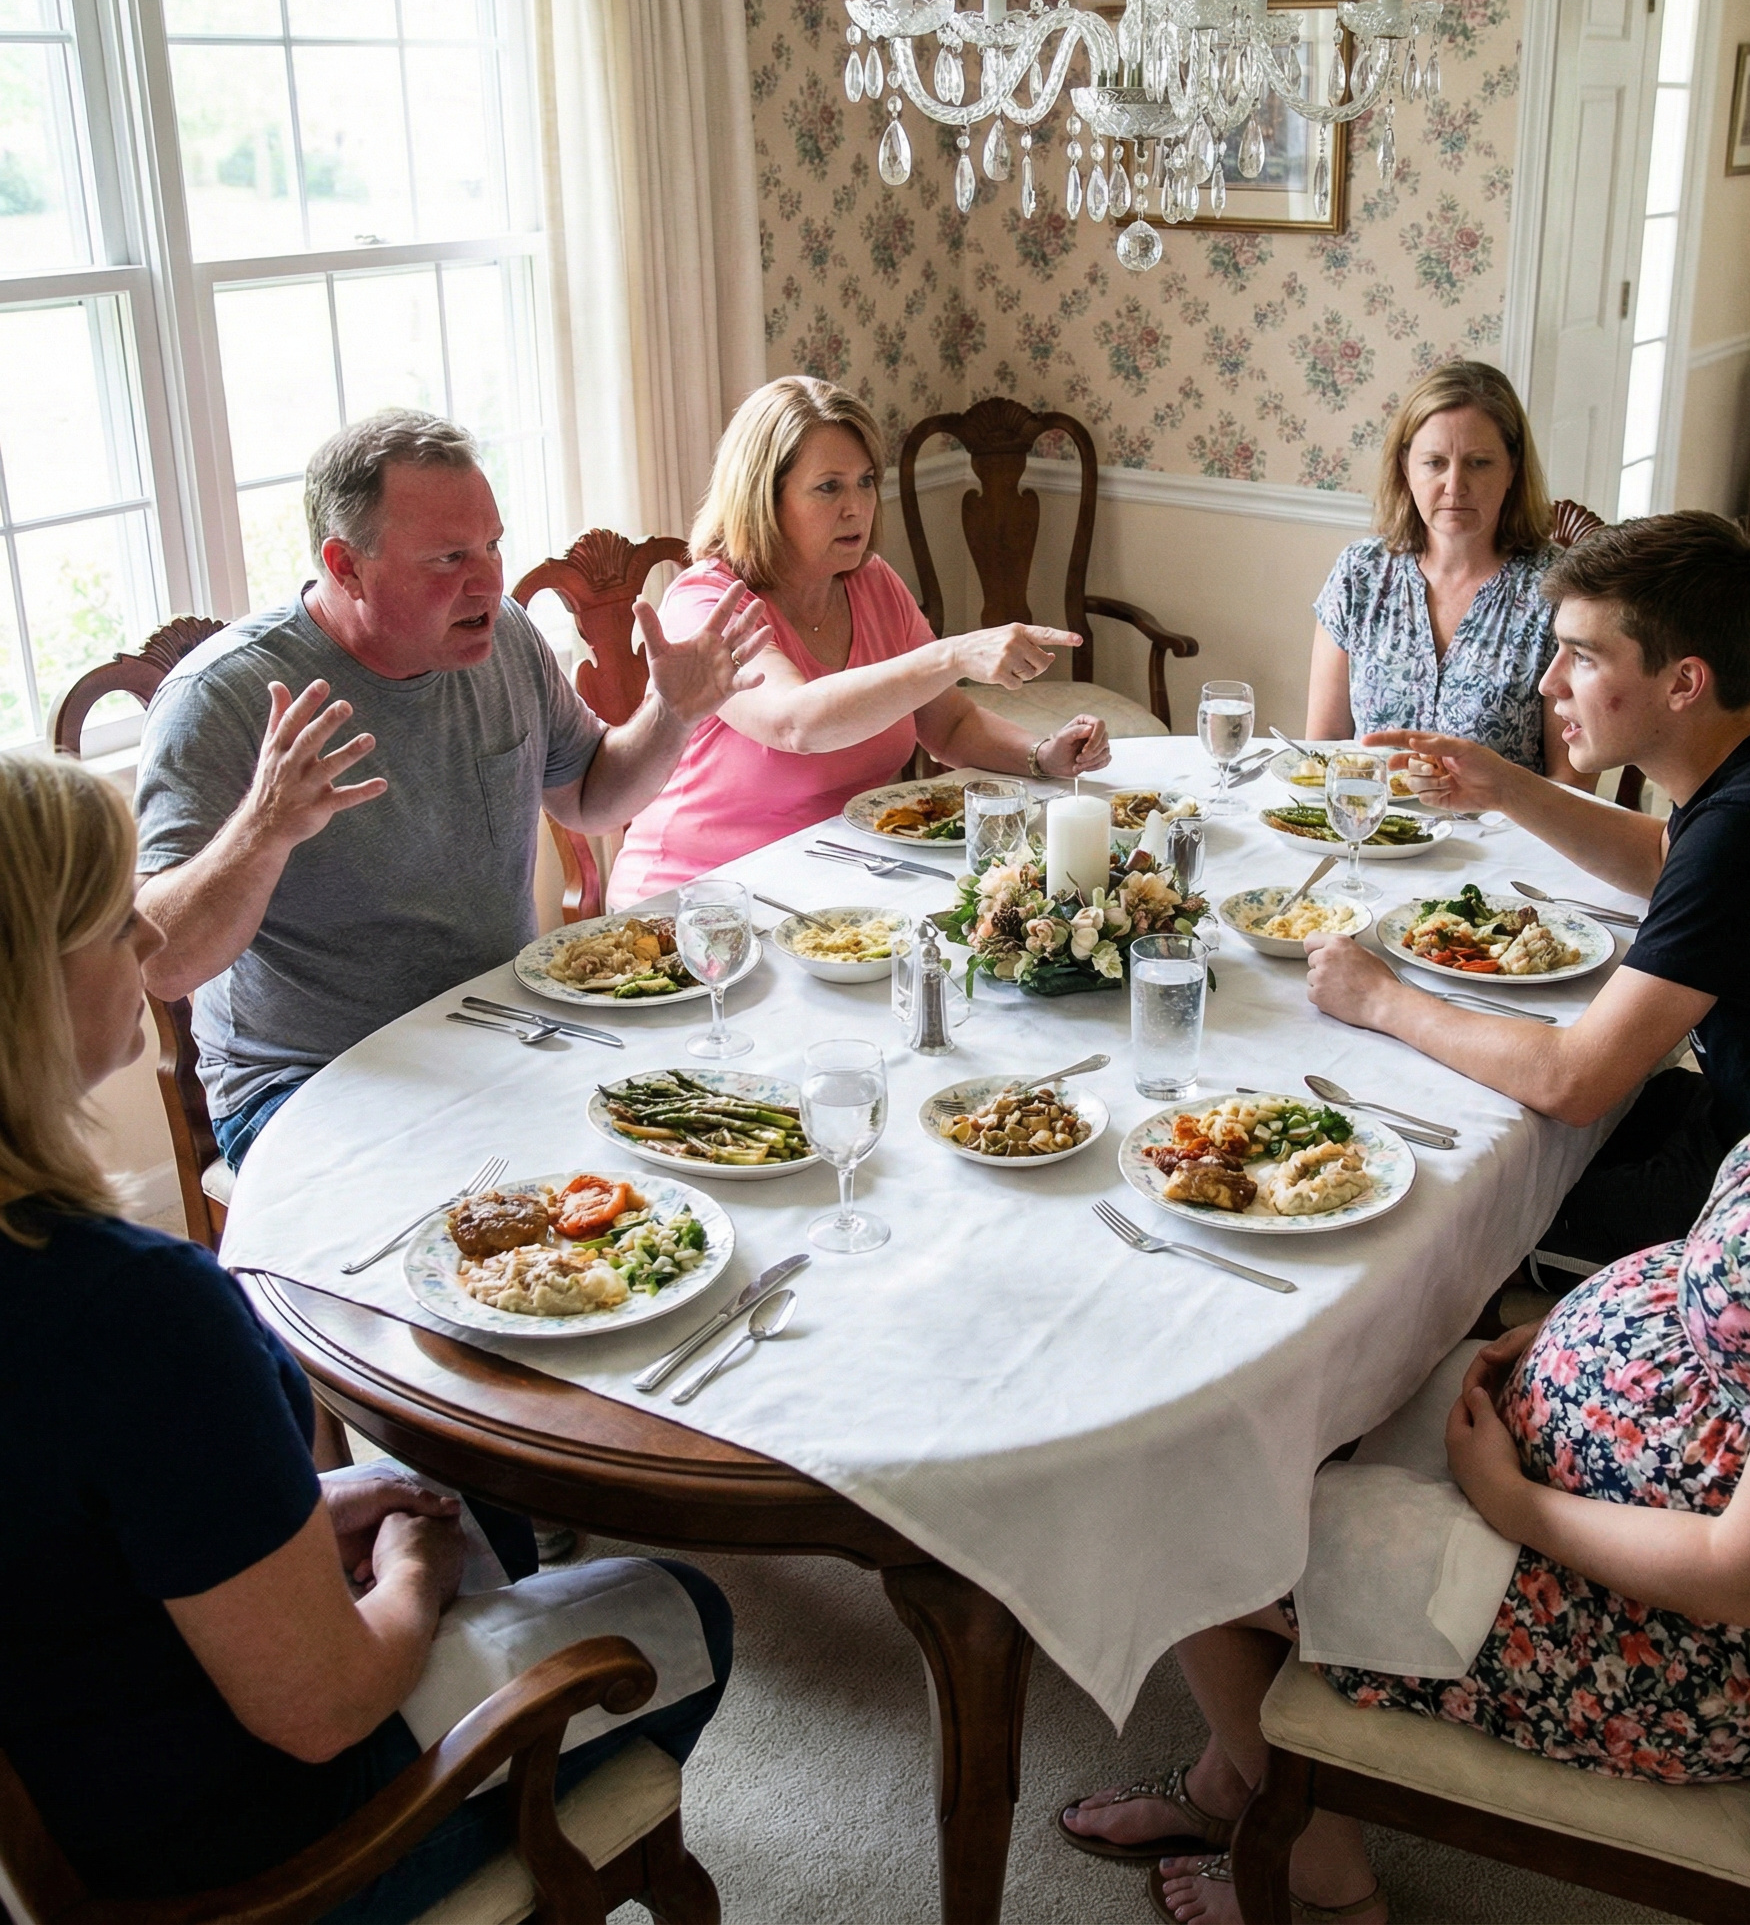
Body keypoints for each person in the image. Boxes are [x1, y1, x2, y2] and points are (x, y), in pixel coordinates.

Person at [1064, 687, 1750, 1925]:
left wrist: (1505, 1498)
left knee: (1176, 1505)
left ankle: (1317, 1871)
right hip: (1598, 1469)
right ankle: (1233, 1772)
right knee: (1289, 1385)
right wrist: (1592, 1325)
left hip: (1662, 1646)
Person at [0, 749, 732, 1916]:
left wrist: (314, 1516)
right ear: (25, 987)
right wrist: (411, 1572)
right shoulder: (132, 1307)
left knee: (453, 1494)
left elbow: (72, 1520)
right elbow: (322, 1708)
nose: (148, 948)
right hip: (254, 1858)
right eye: (112, 922)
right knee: (681, 1607)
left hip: (87, 1732)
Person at [132, 410, 771, 1170]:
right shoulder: (222, 698)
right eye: (447, 558)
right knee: (523, 1207)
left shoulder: (502, 635)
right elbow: (158, 962)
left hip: (509, 1031)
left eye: (493, 545)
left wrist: (672, 713)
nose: (490, 580)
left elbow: (592, 796)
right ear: (345, 566)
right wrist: (263, 828)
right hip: (312, 1082)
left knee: (720, 1126)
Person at [1304, 511, 1750, 1280]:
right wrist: (1506, 787)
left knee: (1434, 1211)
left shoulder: (1745, 826)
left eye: (1582, 658)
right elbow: (1669, 860)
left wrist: (1380, 1000)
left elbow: (1573, 1081)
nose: (1547, 682)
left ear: (1685, 682)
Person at [607, 376, 1112, 903]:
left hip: (835, 881)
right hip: (699, 898)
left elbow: (951, 723)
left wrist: (1042, 755)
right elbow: (795, 722)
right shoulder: (707, 605)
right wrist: (952, 653)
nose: (857, 507)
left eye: (866, 481)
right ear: (764, 497)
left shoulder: (872, 583)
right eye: (829, 487)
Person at [1305, 360, 1589, 785]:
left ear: (1512, 467)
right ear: (1406, 467)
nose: (1455, 486)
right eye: (1435, 462)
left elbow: (1572, 781)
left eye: (1479, 463)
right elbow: (1325, 747)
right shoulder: (1359, 574)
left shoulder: (1556, 592)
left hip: (1503, 844)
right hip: (1369, 834)